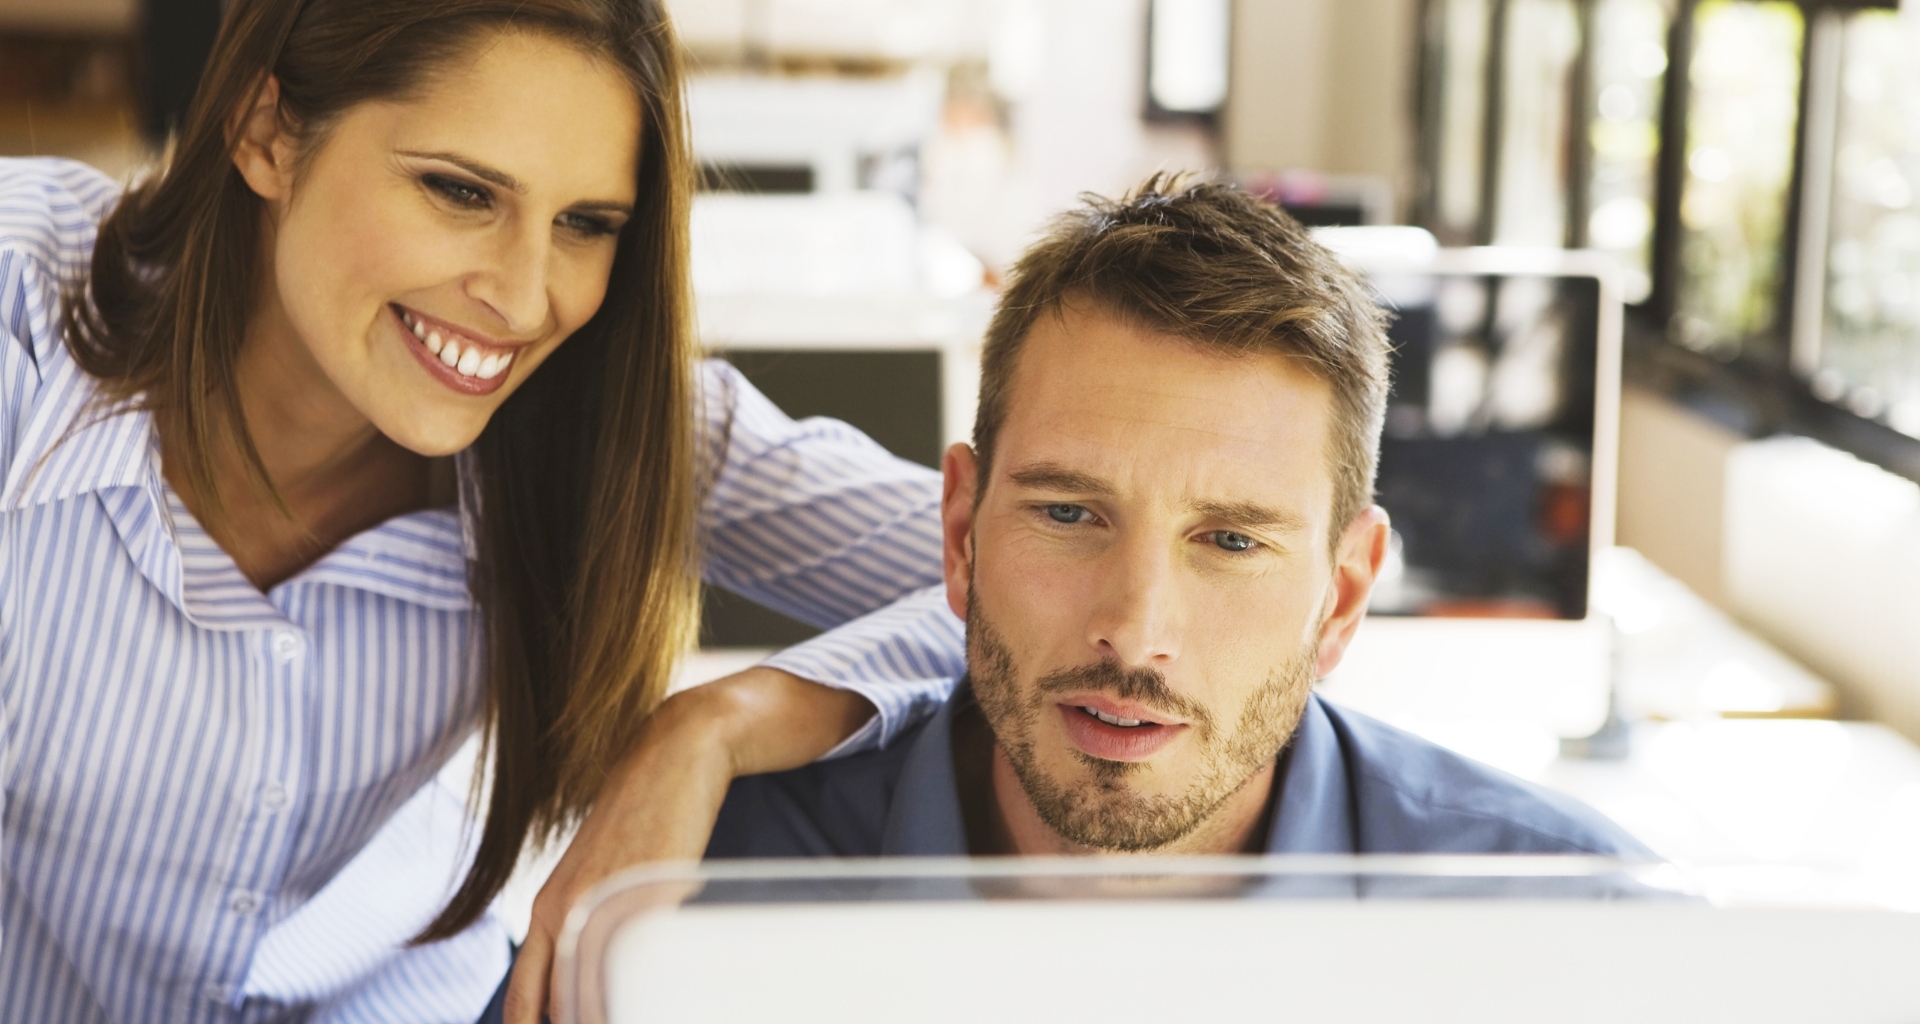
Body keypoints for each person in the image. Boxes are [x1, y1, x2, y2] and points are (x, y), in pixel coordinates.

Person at [0, 2, 961, 1021]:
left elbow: (1046, 587)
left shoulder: (610, 412)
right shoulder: (24, 313)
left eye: (586, 224)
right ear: (268, 131)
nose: (522, 296)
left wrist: (718, 722)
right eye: (460, 191)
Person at [707, 178, 1650, 862]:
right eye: (1070, 513)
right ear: (962, 534)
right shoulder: (700, 888)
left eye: (1233, 540)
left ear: (1343, 594)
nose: (1135, 631)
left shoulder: (1588, 935)